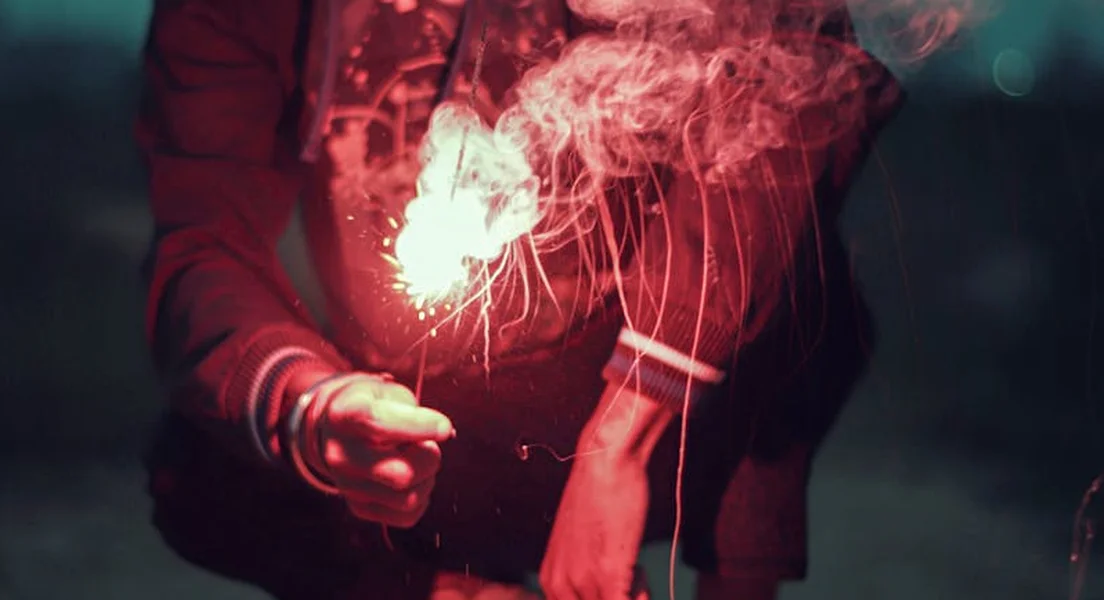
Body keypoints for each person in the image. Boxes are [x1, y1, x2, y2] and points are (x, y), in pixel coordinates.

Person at [136, 0, 903, 598]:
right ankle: (450, 588)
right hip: (421, 411)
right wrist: (314, 406)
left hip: (645, 372)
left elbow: (789, 75)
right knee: (209, 457)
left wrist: (625, 432)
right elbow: (203, 246)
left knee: (795, 275)